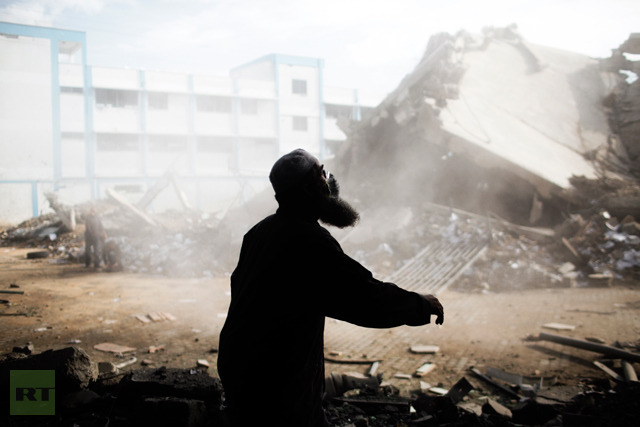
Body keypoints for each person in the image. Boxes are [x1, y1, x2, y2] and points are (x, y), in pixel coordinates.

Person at [217, 149, 444, 427]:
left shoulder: (259, 233)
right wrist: (420, 304)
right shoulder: (308, 241)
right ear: (309, 189)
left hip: (243, 372)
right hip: (278, 380)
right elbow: (363, 297)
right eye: (321, 174)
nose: (329, 181)